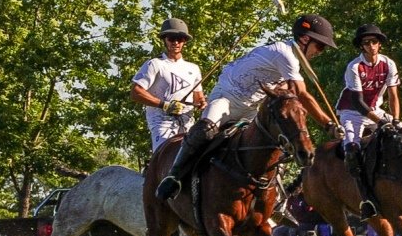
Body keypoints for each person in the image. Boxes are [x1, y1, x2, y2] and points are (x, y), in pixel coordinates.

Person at [156, 14, 344, 200]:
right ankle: (174, 177)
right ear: (304, 38)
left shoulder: (295, 61)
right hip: (227, 99)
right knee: (205, 130)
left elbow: (287, 92)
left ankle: (275, 197)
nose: (320, 51)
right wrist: (328, 124)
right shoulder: (286, 55)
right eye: (320, 45)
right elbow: (302, 95)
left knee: (277, 140)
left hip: (251, 109)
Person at [335, 24, 401, 221]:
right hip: (351, 112)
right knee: (352, 151)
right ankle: (366, 200)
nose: (371, 45)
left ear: (379, 44)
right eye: (366, 43)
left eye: (374, 41)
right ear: (361, 46)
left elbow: (393, 95)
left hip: (376, 110)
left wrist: (395, 120)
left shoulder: (389, 64)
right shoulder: (354, 67)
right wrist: (381, 122)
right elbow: (358, 101)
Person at [130, 18, 207, 152]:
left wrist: (202, 103)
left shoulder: (194, 68)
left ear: (185, 41)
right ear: (165, 40)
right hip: (162, 123)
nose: (176, 42)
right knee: (167, 157)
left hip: (188, 124)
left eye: (180, 39)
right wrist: (164, 105)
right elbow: (135, 93)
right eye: (172, 38)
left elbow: (198, 99)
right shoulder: (154, 64)